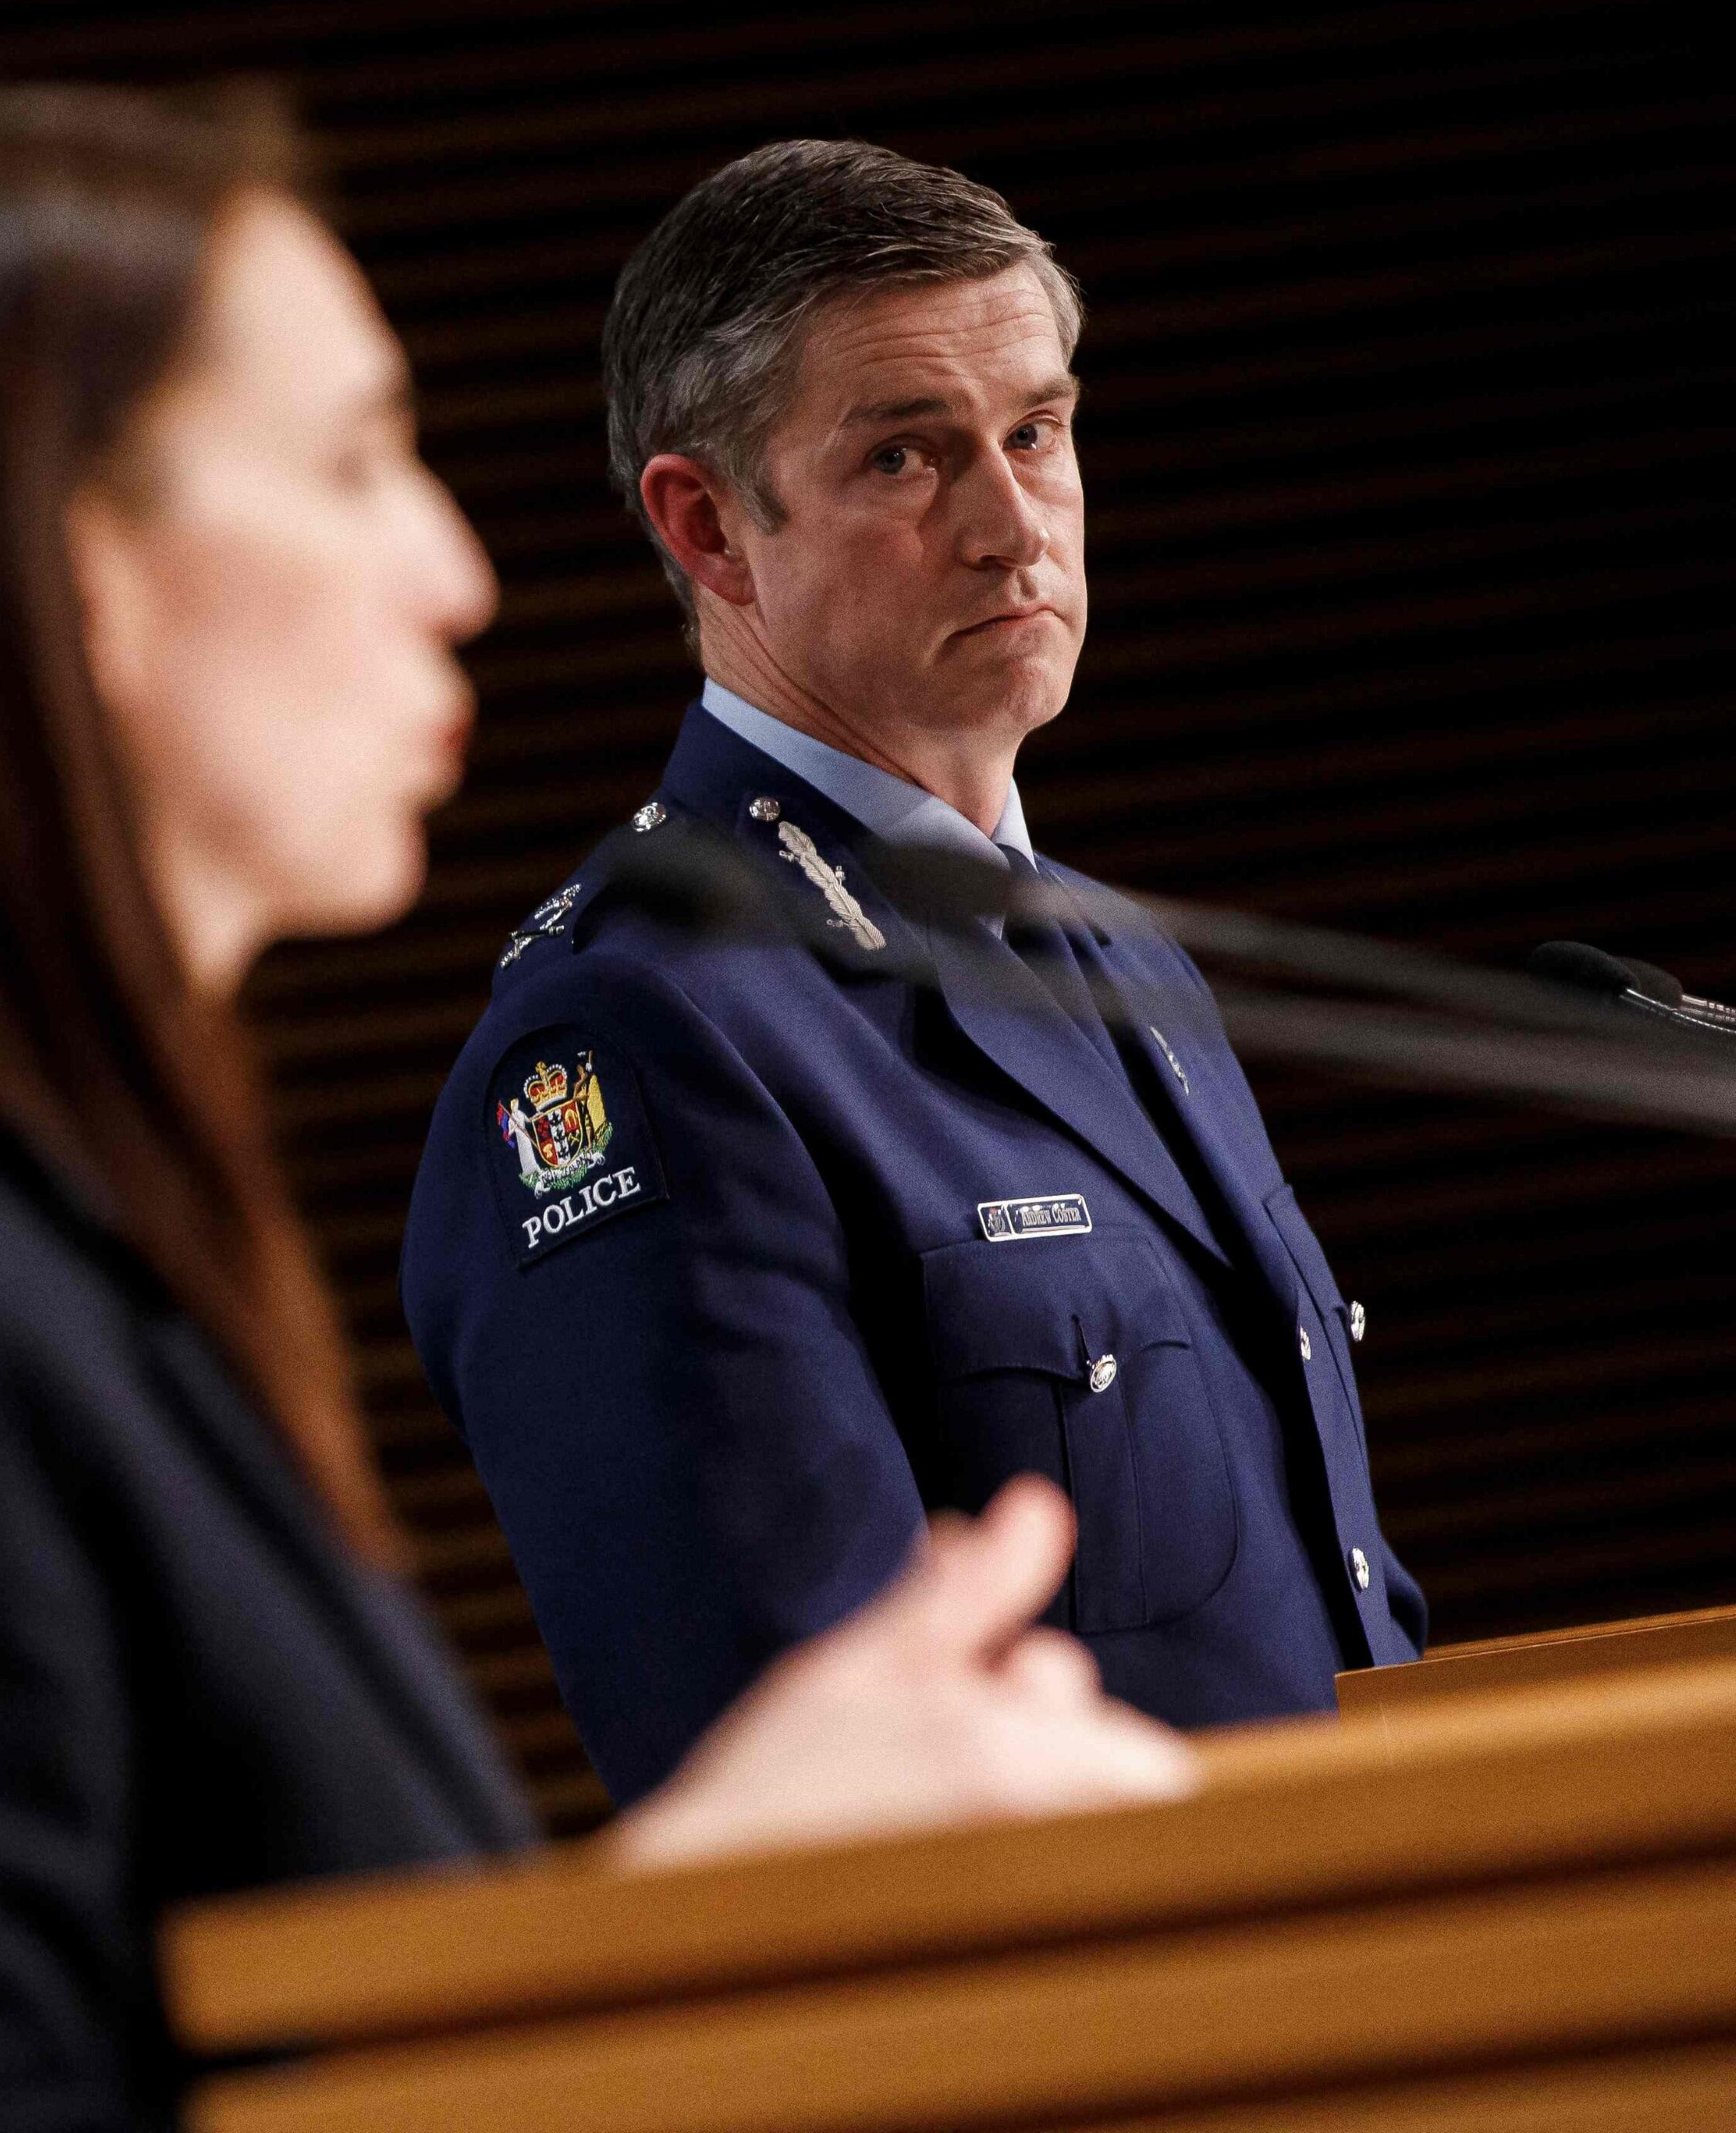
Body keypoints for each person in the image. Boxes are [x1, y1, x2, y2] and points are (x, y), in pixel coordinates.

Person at [0, 88, 1194, 2133]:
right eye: (352, 462)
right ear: (83, 568)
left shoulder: (55, 1245)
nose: (454, 574)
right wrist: (689, 1921)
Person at [401, 140, 1425, 1813]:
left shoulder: (1116, 953)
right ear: (711, 526)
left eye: (1037, 432)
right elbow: (794, 1777)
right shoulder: (646, 1040)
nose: (1014, 527)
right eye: (906, 456)